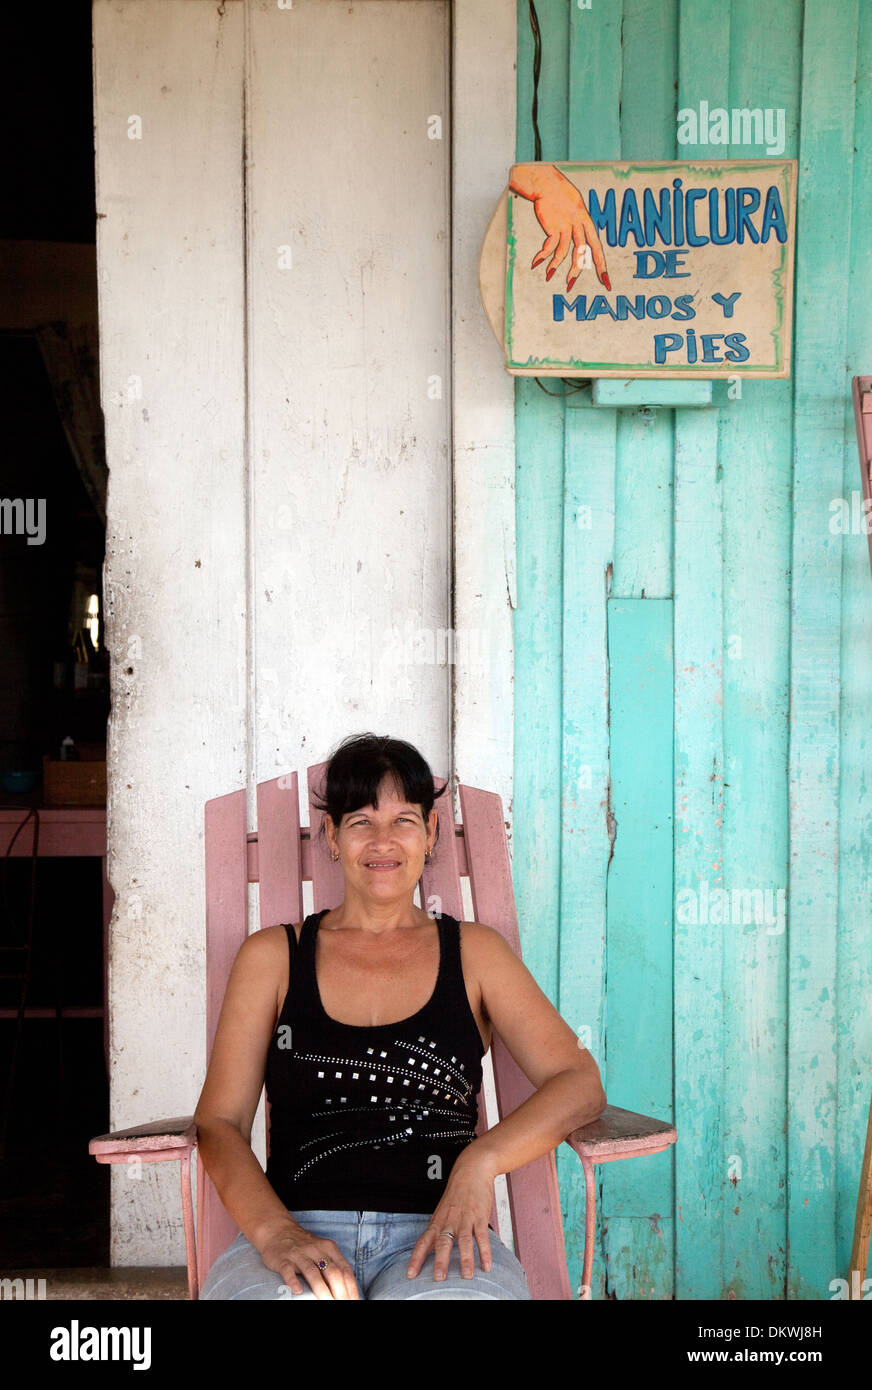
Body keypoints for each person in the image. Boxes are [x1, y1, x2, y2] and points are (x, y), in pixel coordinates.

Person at [196, 733, 606, 1300]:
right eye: (360, 821)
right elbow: (220, 1124)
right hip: (292, 1234)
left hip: (441, 1237)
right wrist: (276, 1233)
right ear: (332, 838)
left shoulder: (476, 954)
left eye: (404, 820)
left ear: (431, 833)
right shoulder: (272, 959)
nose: (382, 840)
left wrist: (478, 1163)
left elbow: (579, 1083)